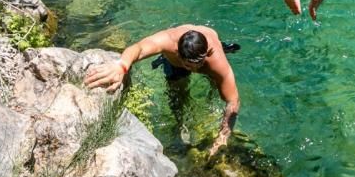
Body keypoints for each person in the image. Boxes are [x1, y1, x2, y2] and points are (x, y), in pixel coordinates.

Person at [84, 25, 240, 157]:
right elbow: (138, 48)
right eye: (189, 66)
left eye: (196, 65)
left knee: (218, 87)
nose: (193, 69)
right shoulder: (168, 41)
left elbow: (233, 100)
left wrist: (222, 137)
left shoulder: (216, 60)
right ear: (177, 53)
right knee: (176, 94)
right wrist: (121, 65)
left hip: (208, 58)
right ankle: (180, 127)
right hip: (176, 63)